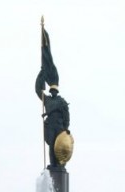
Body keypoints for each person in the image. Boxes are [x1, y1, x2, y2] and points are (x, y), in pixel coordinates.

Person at [35, 22, 71, 169]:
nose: (53, 92)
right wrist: (41, 75)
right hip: (51, 127)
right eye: (52, 90)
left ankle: (59, 166)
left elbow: (67, 117)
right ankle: (52, 166)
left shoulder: (62, 102)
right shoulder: (47, 100)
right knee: (51, 149)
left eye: (55, 90)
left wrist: (66, 128)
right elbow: (38, 90)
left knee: (58, 151)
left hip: (60, 128)